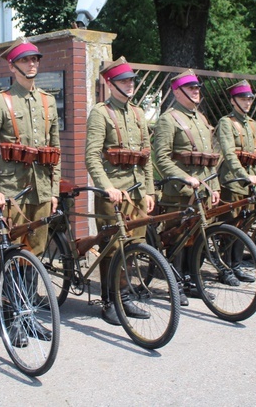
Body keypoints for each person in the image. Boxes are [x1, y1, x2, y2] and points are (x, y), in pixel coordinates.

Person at [0, 37, 60, 346]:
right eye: (25, 60)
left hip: (41, 192)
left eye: (35, 59)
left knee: (34, 256)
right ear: (12, 65)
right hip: (12, 191)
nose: (32, 64)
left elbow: (55, 150)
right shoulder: (1, 101)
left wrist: (53, 191)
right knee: (13, 254)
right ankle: (13, 321)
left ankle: (28, 315)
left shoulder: (48, 101)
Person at [85, 57, 155, 325]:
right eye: (125, 80)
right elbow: (91, 156)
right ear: (111, 83)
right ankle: (109, 301)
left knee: (134, 247)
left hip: (136, 194)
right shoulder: (100, 113)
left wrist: (148, 191)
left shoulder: (138, 114)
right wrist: (107, 187)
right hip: (113, 194)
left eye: (132, 80)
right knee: (113, 248)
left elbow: (145, 157)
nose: (130, 84)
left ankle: (125, 297)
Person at [151, 70, 220, 304]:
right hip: (179, 194)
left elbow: (210, 157)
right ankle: (176, 285)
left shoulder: (201, 119)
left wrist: (216, 186)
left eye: (197, 88)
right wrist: (183, 177)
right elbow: (160, 158)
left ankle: (193, 282)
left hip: (202, 192)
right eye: (191, 88)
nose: (196, 91)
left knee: (199, 239)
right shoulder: (168, 119)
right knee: (176, 240)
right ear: (177, 92)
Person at [216, 80, 256, 286]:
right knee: (230, 226)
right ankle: (225, 269)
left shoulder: (252, 123)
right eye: (243, 99)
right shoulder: (226, 122)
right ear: (233, 101)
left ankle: (236, 265)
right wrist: (243, 175)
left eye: (249, 99)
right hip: (233, 182)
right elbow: (228, 153)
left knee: (244, 226)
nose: (247, 102)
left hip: (250, 182)